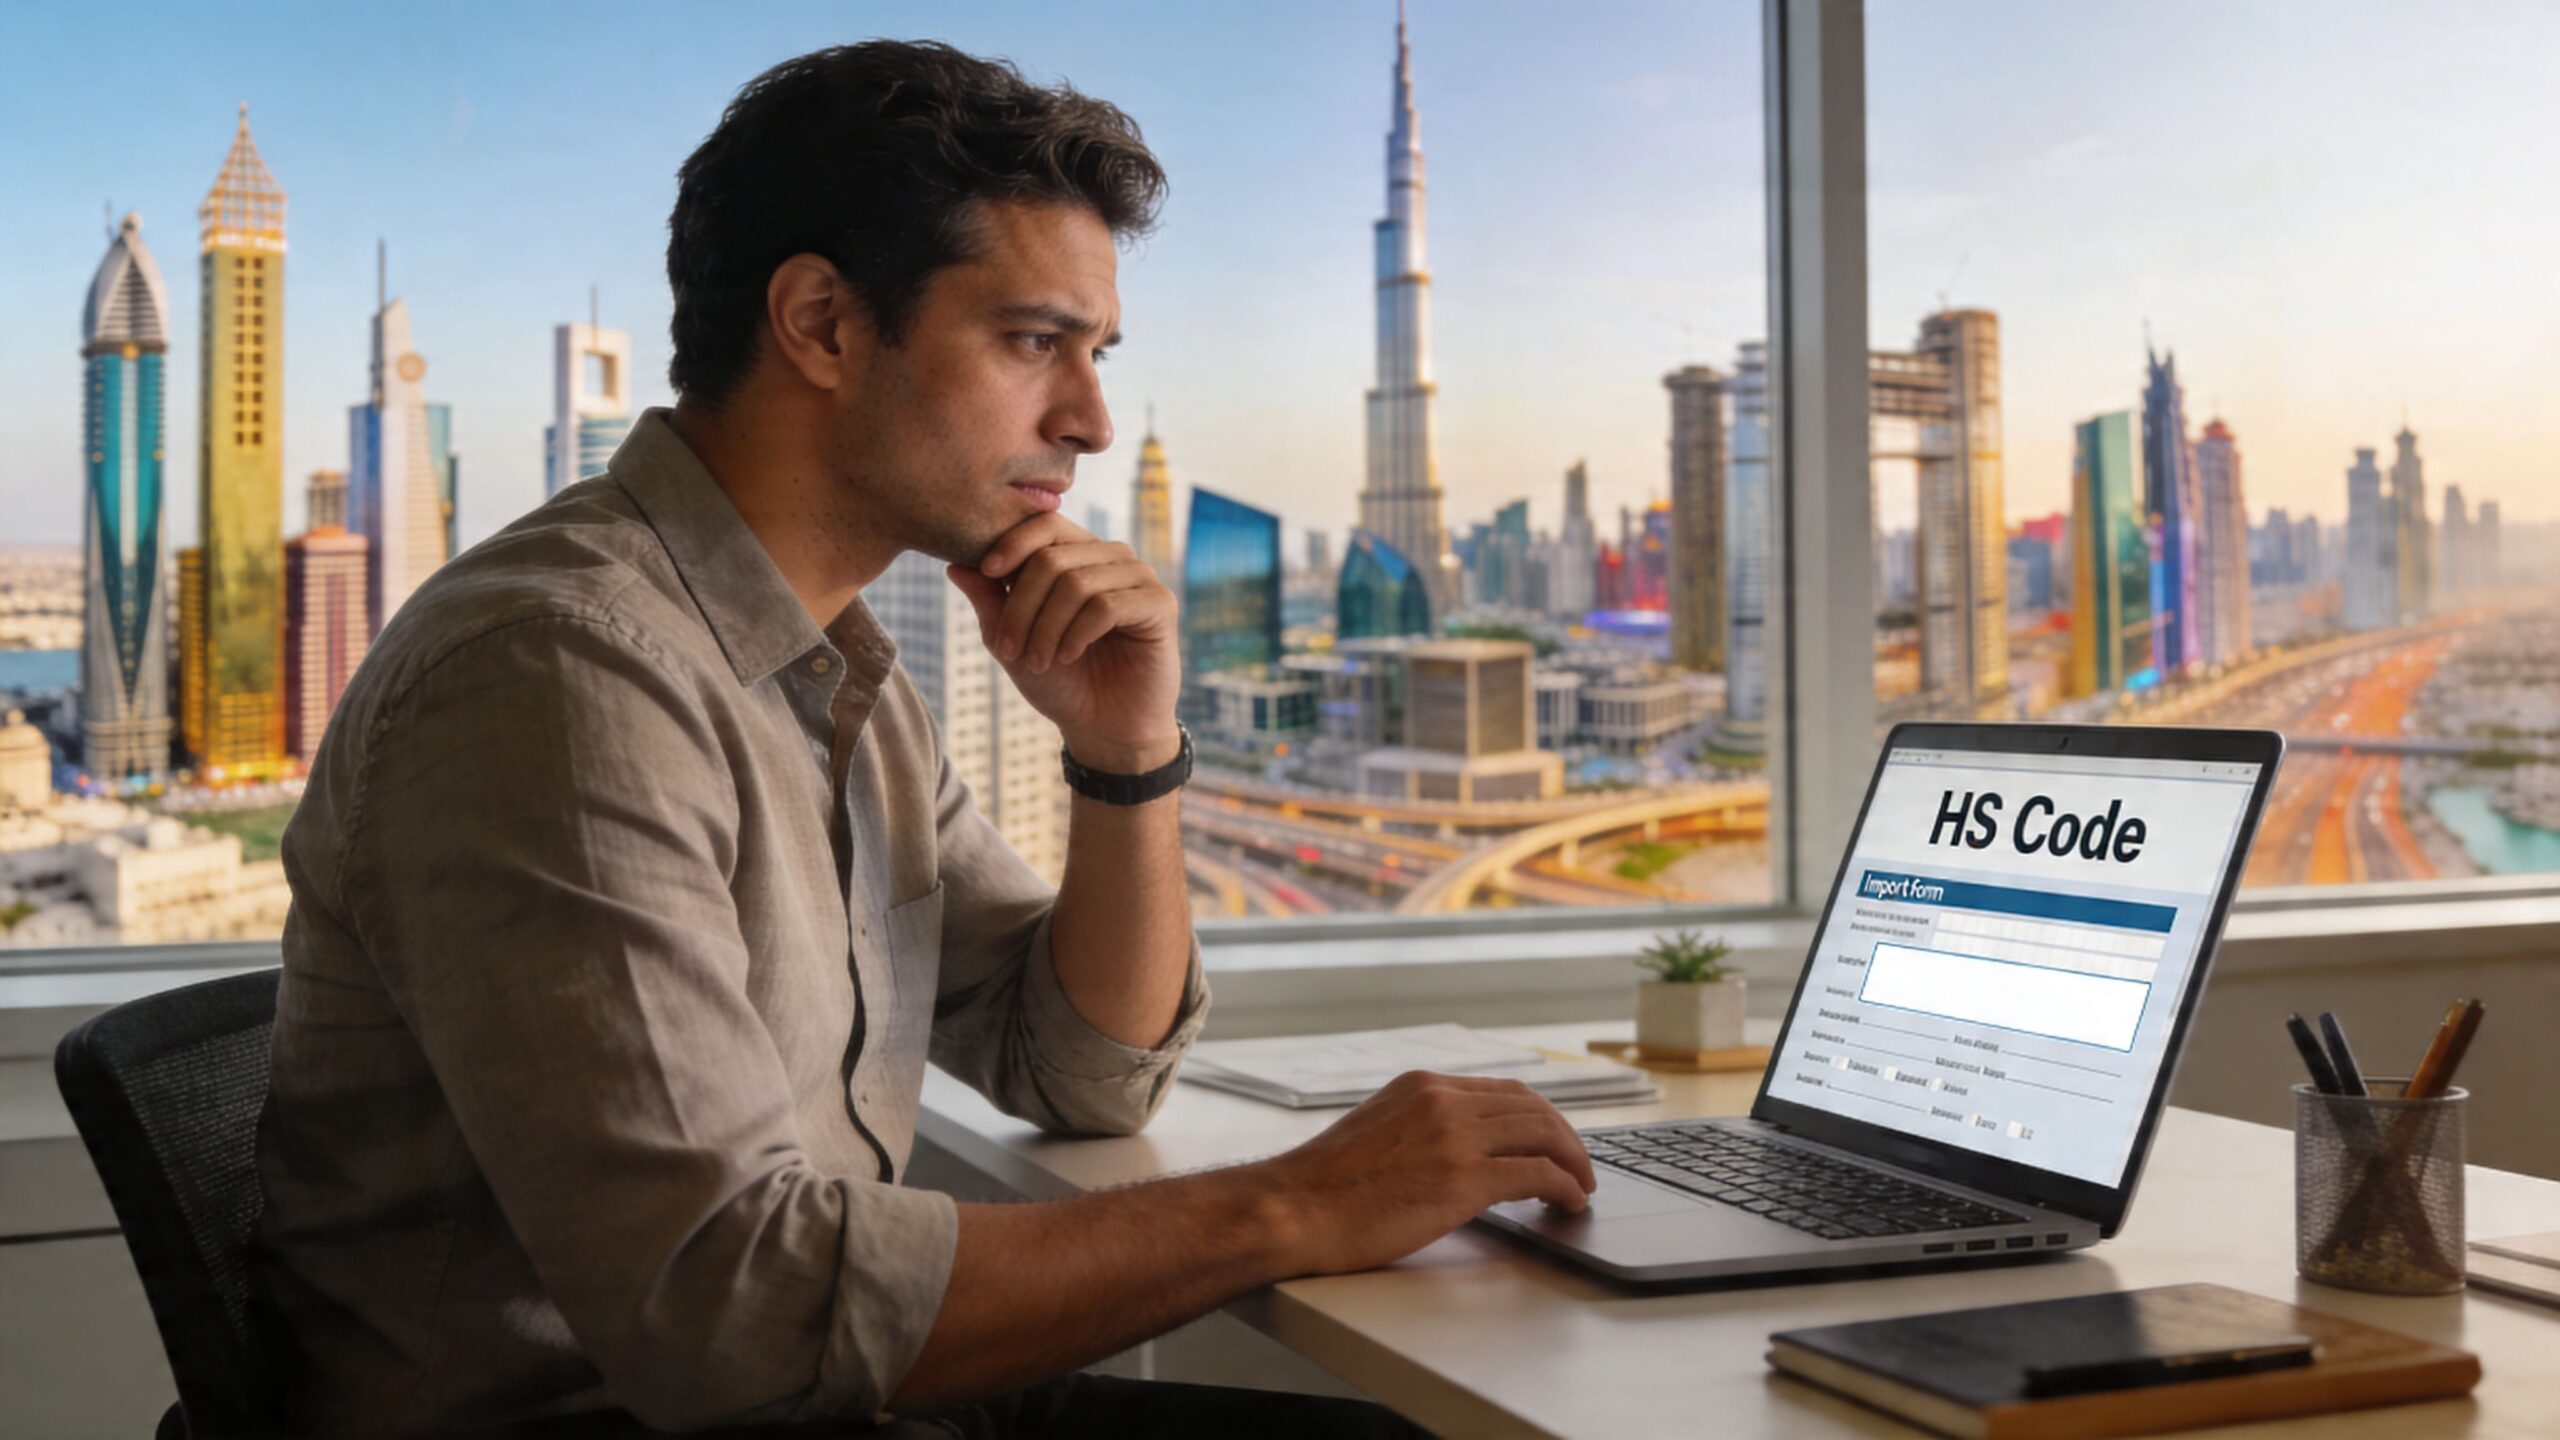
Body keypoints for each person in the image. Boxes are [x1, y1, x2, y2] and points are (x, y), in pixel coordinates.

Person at [252, 39, 1594, 1439]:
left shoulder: (843, 673)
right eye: (1033, 343)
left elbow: (1081, 1070)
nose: (1085, 418)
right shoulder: (559, 675)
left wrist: (1127, 759)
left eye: (1096, 355)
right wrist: (1295, 1203)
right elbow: (733, 1309)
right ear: (823, 324)